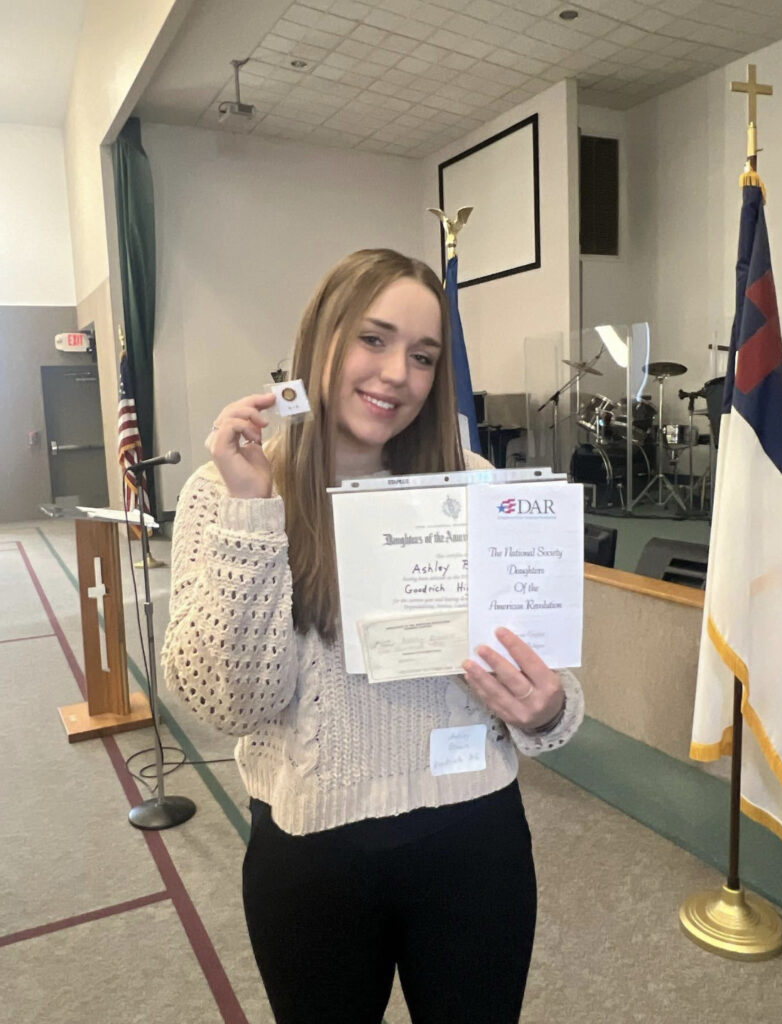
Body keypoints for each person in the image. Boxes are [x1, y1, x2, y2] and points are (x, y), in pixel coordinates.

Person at [162, 248, 584, 1023]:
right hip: (313, 854)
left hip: (474, 837)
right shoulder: (224, 489)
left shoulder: (475, 480)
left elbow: (549, 686)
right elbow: (230, 702)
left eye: (421, 356)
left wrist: (546, 709)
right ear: (320, 338)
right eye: (373, 339)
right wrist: (256, 512)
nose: (397, 374)